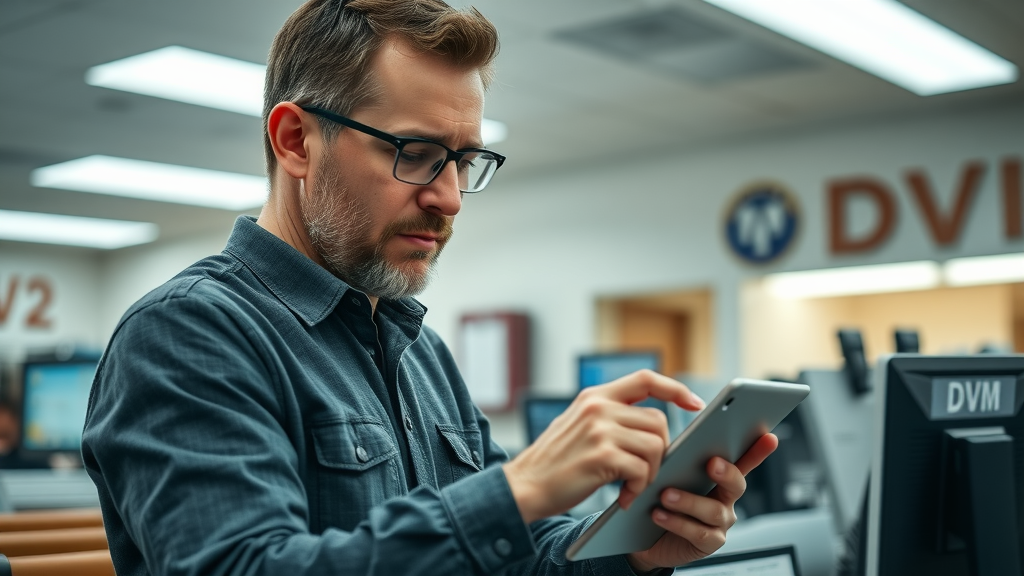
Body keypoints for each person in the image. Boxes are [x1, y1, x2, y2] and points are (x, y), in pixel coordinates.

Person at [81, 1, 778, 575]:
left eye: (465, 161)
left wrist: (631, 551)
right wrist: (517, 491)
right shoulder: (185, 334)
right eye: (415, 154)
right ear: (296, 141)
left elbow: (509, 557)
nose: (449, 197)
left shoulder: (420, 350)